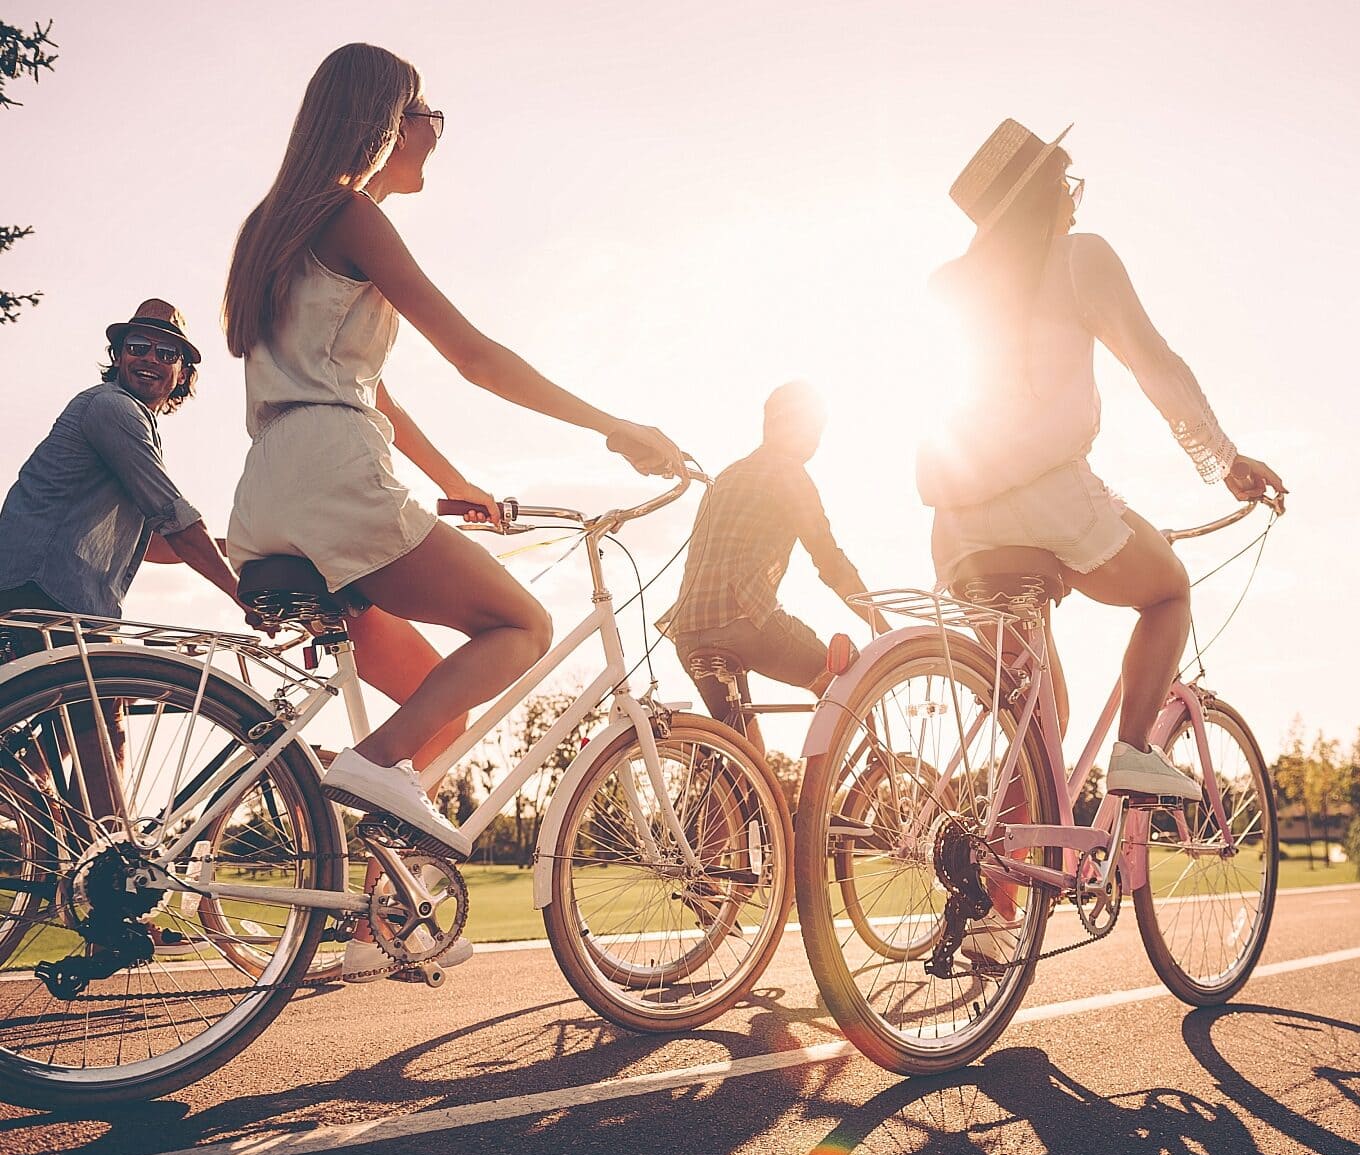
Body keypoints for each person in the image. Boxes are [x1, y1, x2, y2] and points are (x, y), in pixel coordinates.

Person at [222, 43, 681, 980]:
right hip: (334, 476)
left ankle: (372, 921)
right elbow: (472, 354)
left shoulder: (272, 225)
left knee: (437, 713)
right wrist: (612, 426)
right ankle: (370, 769)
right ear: (388, 120)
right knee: (520, 624)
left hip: (269, 485)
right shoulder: (350, 213)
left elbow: (366, 390)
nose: (436, 132)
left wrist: (454, 478)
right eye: (427, 113)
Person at [917, 121, 1286, 963]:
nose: (1075, 198)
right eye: (1068, 184)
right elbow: (1153, 361)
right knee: (1166, 590)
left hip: (956, 523)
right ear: (1049, 193)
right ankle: (1133, 760)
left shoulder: (954, 285)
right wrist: (1224, 460)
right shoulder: (1078, 258)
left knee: (1032, 716)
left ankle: (993, 906)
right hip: (1047, 500)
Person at [0, 300, 249, 823]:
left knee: (82, 720)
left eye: (167, 352)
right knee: (100, 710)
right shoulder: (111, 409)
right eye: (137, 347)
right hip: (41, 592)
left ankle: (46, 817)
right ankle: (118, 870)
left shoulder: (129, 421)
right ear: (116, 355)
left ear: (182, 373)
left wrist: (244, 550)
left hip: (60, 597)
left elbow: (158, 541)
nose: (150, 358)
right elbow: (175, 520)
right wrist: (242, 593)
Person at [658, 381, 885, 746]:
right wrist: (881, 623)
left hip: (687, 632)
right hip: (746, 620)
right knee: (846, 686)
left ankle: (739, 801)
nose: (816, 440)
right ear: (782, 425)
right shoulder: (788, 474)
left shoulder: (726, 476)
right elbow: (830, 563)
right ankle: (835, 789)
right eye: (812, 428)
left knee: (743, 756)